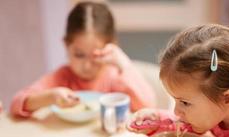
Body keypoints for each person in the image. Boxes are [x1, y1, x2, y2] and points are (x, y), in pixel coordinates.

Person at [10, 1, 155, 117]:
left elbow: (149, 108)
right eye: (79, 55)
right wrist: (50, 97)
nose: (87, 65)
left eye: (96, 56)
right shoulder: (61, 78)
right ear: (66, 45)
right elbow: (16, 104)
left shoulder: (116, 78)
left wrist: (124, 64)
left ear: (111, 48)